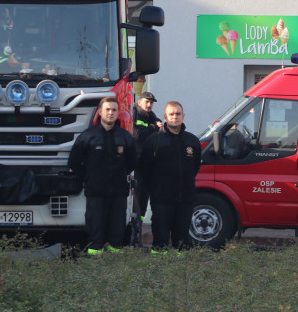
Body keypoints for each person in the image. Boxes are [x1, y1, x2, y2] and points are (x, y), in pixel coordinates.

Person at [68, 96, 136, 255]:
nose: (110, 113)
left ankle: (114, 260)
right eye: (107, 110)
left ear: (118, 113)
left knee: (117, 229)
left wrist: (120, 175)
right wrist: (88, 177)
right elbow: (74, 162)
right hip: (95, 191)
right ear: (100, 111)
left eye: (114, 110)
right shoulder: (87, 136)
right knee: (95, 229)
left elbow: (132, 162)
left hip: (118, 192)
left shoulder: (125, 137)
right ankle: (94, 258)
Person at [137, 101, 202, 249]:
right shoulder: (154, 140)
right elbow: (144, 169)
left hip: (185, 199)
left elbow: (195, 167)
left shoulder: (192, 141)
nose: (175, 117)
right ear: (165, 117)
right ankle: (159, 262)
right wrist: (156, 189)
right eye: (171, 114)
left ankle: (180, 263)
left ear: (183, 116)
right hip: (161, 200)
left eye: (178, 114)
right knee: (160, 243)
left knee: (182, 244)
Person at [131, 91, 162, 230]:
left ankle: (139, 225)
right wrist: (152, 127)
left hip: (147, 164)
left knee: (144, 196)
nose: (149, 105)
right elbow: (137, 136)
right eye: (147, 102)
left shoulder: (151, 116)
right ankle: (133, 226)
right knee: (136, 196)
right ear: (139, 102)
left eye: (151, 103)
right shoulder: (135, 113)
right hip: (136, 163)